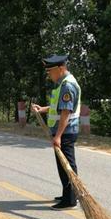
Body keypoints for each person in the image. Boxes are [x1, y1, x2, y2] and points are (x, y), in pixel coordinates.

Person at [31, 55, 81, 210]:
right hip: (63, 131)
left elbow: (66, 112)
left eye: (50, 71)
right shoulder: (62, 84)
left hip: (65, 132)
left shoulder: (67, 86)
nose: (49, 75)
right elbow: (57, 108)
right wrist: (43, 109)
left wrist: (58, 136)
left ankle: (70, 200)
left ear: (60, 68)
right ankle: (69, 194)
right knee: (64, 165)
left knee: (66, 166)